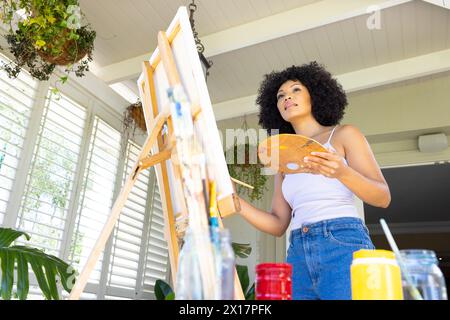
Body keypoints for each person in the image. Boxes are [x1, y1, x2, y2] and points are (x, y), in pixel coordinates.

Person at [234, 62, 391, 300]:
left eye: (295, 89)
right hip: (297, 251)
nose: (287, 97)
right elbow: (278, 224)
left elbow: (382, 197)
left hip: (343, 243)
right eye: (280, 95)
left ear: (315, 95)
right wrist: (236, 203)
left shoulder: (343, 135)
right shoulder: (282, 160)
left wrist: (342, 172)